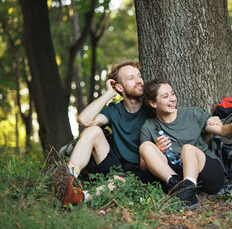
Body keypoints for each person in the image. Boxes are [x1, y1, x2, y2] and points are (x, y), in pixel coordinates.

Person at [52, 61, 221, 206]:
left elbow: (181, 120)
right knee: (93, 130)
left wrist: (210, 122)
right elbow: (84, 120)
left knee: (117, 182)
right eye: (131, 78)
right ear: (119, 87)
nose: (139, 81)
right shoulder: (114, 111)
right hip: (116, 164)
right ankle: (69, 178)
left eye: (139, 76)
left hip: (145, 170)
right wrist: (109, 94)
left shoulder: (154, 107)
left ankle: (79, 198)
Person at [139, 79, 232, 209]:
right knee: (145, 146)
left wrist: (231, 127)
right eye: (165, 96)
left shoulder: (193, 113)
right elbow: (143, 166)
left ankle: (189, 187)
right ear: (153, 103)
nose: (172, 99)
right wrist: (158, 149)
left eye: (172, 94)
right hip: (177, 175)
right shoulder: (149, 126)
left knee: (187, 149)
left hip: (207, 173)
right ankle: (180, 187)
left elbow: (221, 130)